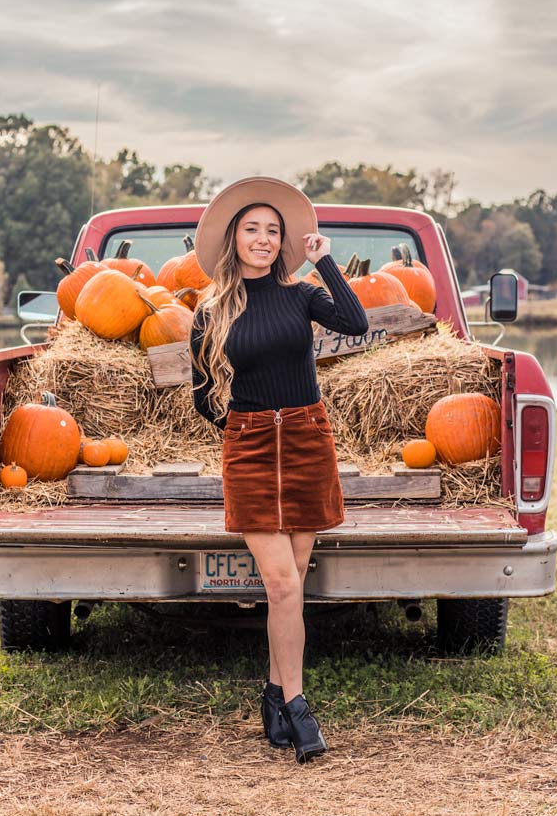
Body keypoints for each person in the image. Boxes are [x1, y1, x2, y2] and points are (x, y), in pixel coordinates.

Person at [189, 176, 368, 763]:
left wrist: (326, 261)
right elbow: (203, 397)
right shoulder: (210, 310)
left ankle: (272, 693)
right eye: (252, 230)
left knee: (289, 580)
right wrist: (244, 427)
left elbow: (356, 323)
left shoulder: (302, 295)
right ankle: (297, 705)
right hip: (251, 446)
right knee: (284, 584)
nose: (263, 239)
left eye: (272, 231)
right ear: (234, 240)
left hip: (308, 440)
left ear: (283, 241)